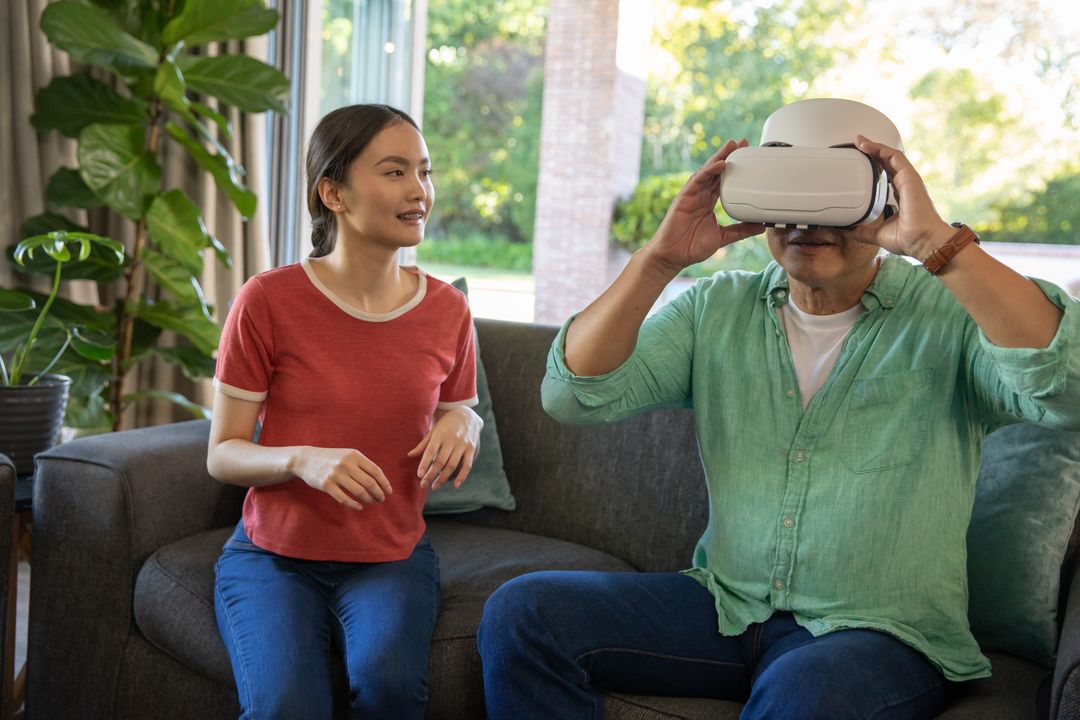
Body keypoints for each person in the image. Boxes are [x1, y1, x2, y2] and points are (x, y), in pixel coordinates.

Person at [476, 98, 1080, 719]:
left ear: (887, 196)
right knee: (525, 614)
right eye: (785, 189)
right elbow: (573, 395)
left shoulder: (950, 316)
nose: (804, 219)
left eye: (832, 191)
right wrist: (659, 261)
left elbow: (1067, 390)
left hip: (879, 632)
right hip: (724, 607)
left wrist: (936, 242)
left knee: (805, 692)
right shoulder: (715, 309)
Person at [207, 103, 484, 720]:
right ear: (332, 192)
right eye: (394, 172)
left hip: (391, 557)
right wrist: (302, 460)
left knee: (390, 695)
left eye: (425, 171)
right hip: (273, 556)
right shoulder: (268, 301)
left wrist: (467, 419)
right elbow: (222, 453)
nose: (420, 191)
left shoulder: (447, 312)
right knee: (286, 708)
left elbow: (457, 408)